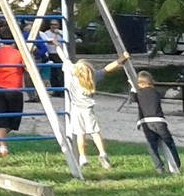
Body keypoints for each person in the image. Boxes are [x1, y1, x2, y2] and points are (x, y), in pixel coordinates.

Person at [51, 38, 129, 169]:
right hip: (88, 109)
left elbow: (64, 58)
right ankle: (102, 153)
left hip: (76, 109)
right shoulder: (93, 78)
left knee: (80, 134)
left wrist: (57, 45)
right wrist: (120, 60)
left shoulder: (72, 73)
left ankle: (82, 158)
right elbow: (106, 69)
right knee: (95, 132)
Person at [130, 71, 182, 175]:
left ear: (139, 84)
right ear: (151, 82)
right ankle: (176, 164)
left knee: (152, 146)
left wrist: (132, 88)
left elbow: (132, 98)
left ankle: (159, 166)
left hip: (146, 122)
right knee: (169, 143)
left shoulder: (138, 93)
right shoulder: (156, 93)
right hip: (159, 121)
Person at [0, 26, 25, 156]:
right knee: (14, 118)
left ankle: (0, 142)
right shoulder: (19, 54)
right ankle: (1, 144)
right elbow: (27, 68)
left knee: (0, 117)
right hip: (14, 88)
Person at [43, 19, 64, 96]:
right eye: (52, 24)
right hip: (50, 54)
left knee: (61, 73)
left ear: (58, 25)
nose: (53, 26)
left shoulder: (62, 32)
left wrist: (58, 33)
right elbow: (50, 42)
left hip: (60, 54)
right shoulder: (46, 33)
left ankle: (62, 90)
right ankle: (56, 90)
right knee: (53, 74)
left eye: (55, 24)